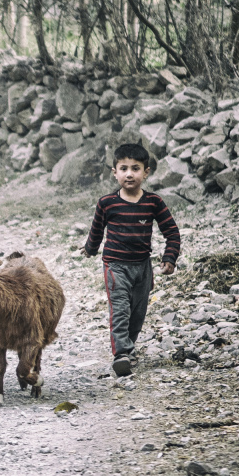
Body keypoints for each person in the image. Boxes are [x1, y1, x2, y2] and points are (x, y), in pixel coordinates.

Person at [80, 143, 181, 377]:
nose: (129, 174)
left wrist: (170, 257)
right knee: (120, 309)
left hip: (143, 267)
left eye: (135, 168)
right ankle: (121, 354)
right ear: (114, 172)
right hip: (115, 266)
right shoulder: (107, 203)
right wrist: (90, 249)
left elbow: (172, 232)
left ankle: (129, 346)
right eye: (123, 168)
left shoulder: (153, 202)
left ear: (146, 172)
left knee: (137, 312)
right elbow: (96, 231)